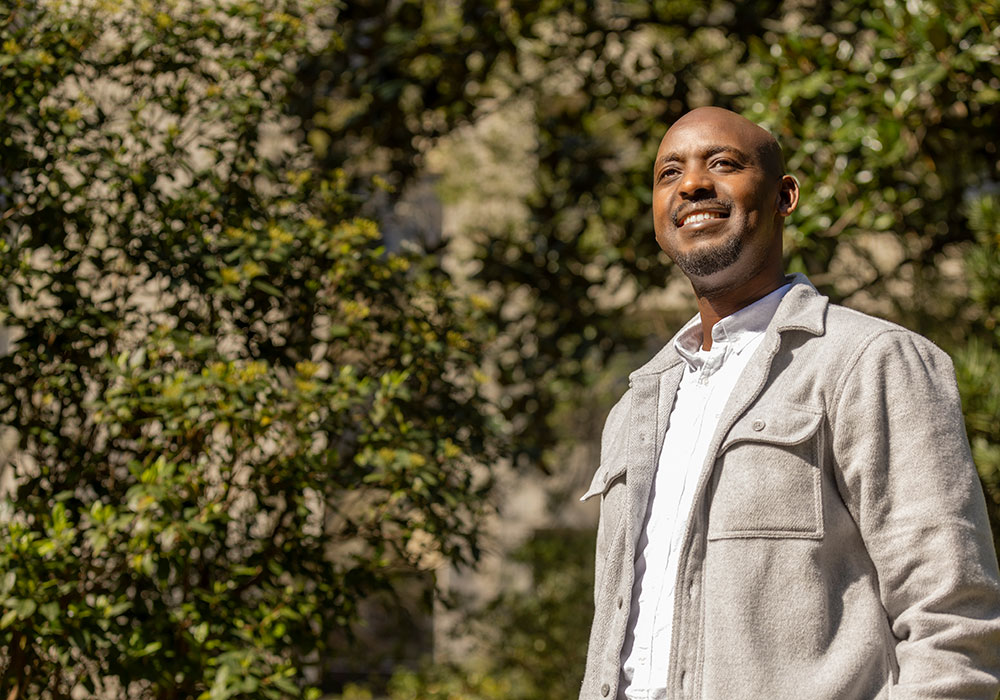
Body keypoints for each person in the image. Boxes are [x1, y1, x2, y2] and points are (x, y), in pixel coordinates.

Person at [579, 106, 1000, 700]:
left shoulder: (869, 361)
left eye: (723, 164)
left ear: (784, 196)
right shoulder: (634, 409)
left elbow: (953, 618)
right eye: (669, 173)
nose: (692, 183)